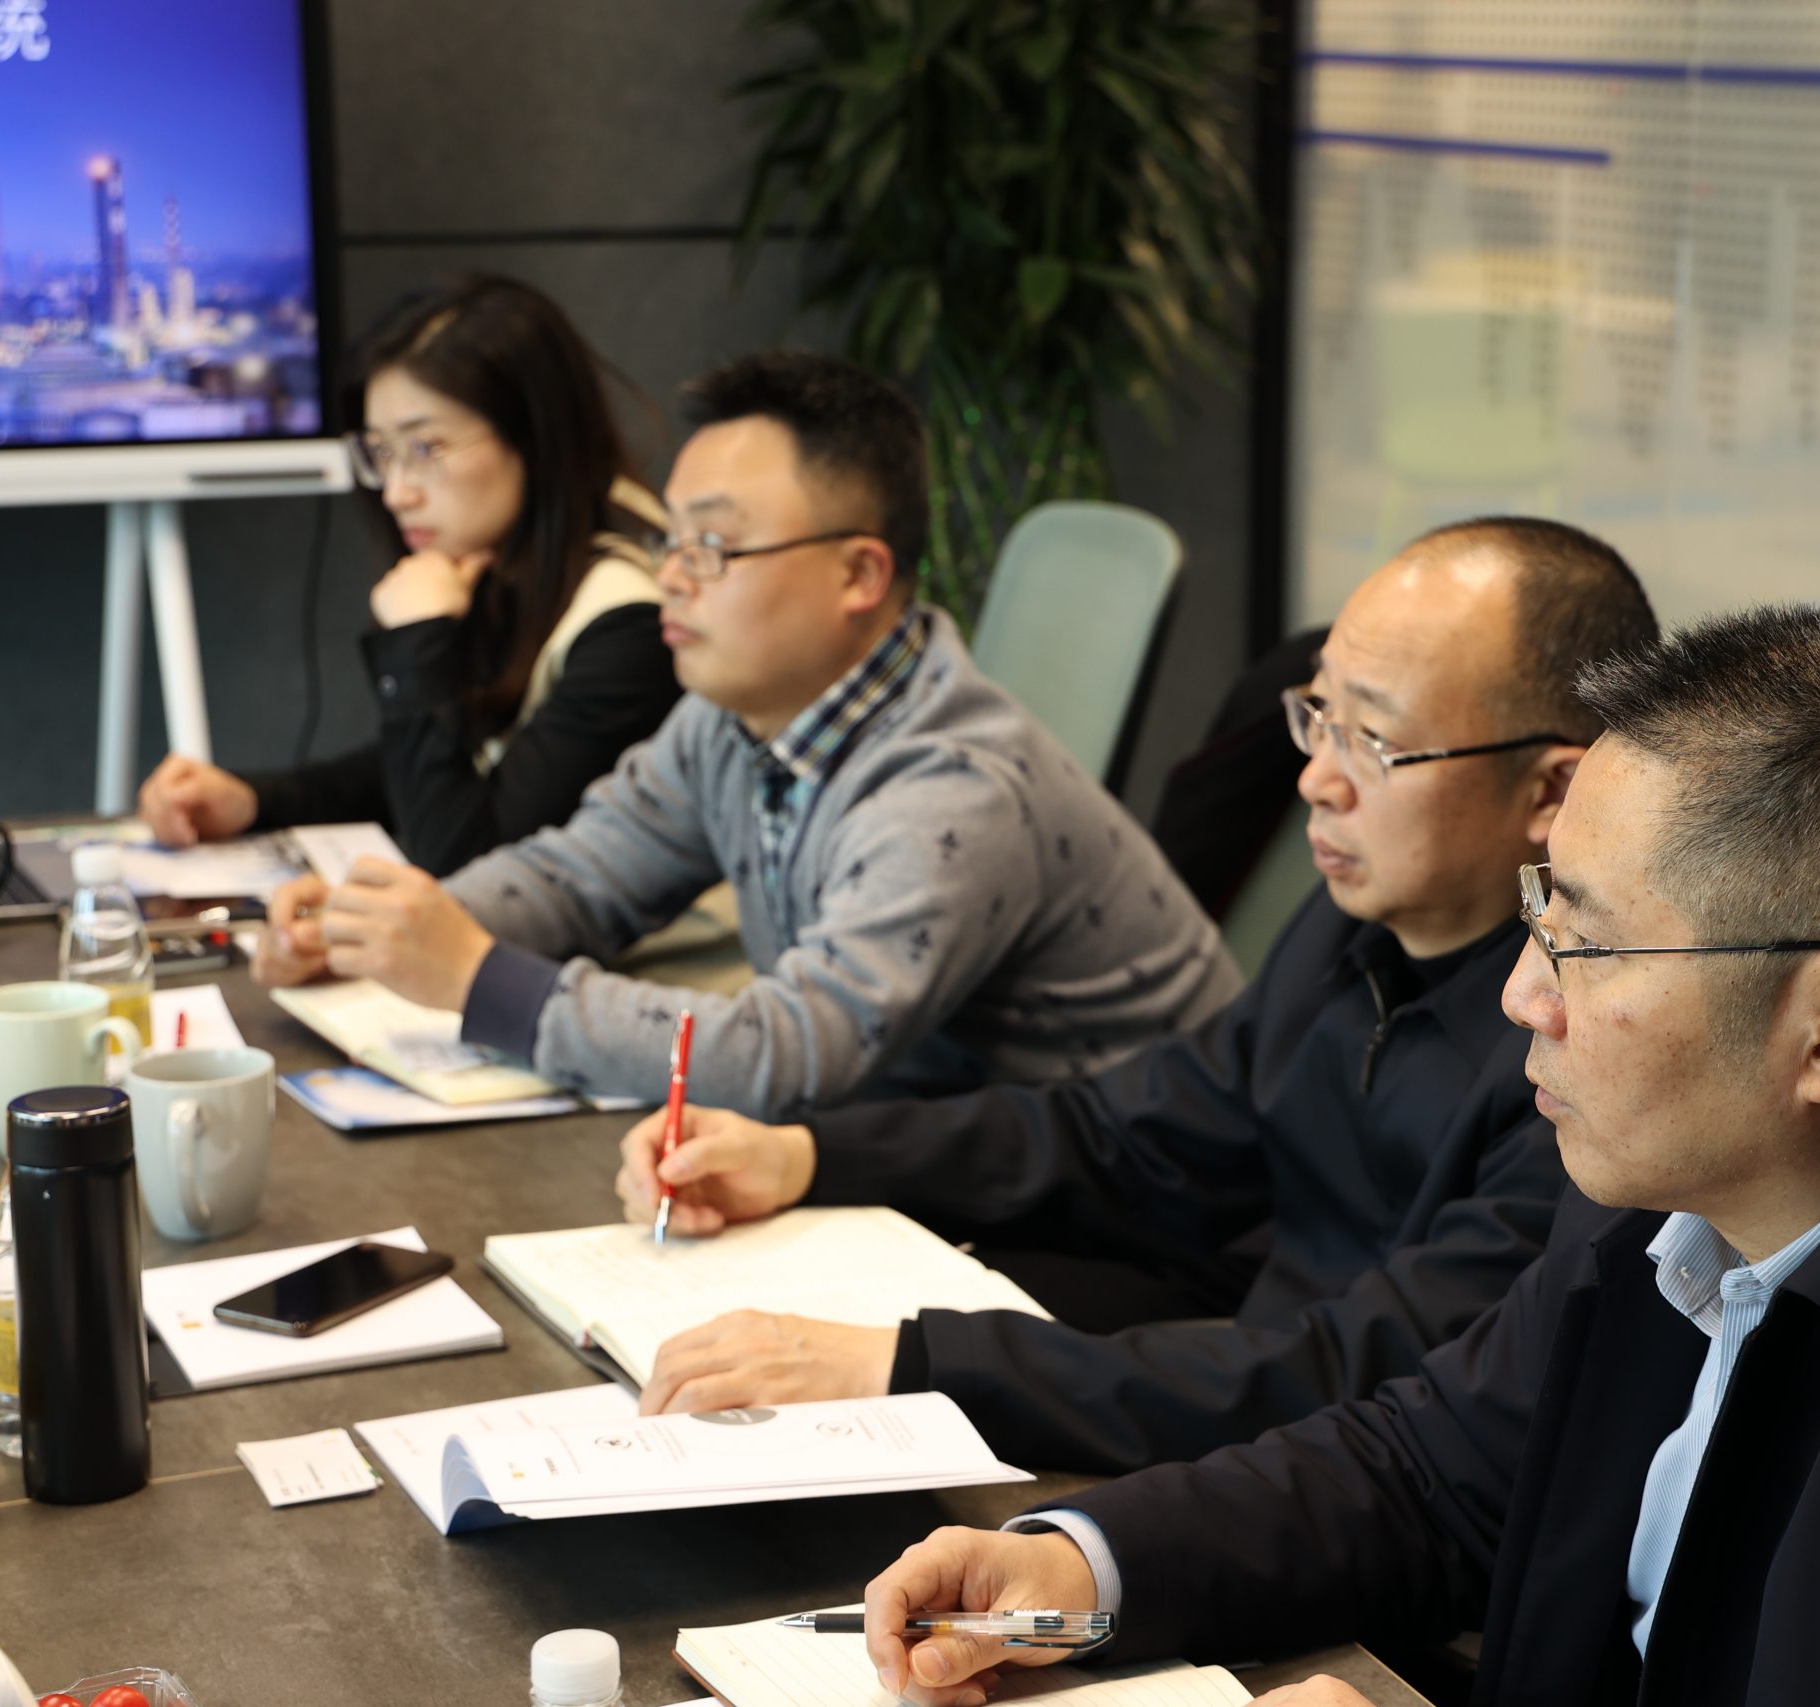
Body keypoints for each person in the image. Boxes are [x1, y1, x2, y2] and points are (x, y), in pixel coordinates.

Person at [854, 606, 1820, 1706]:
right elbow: (1422, 1470)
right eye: (1539, 918)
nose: (1520, 996)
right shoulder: (1690, 1178)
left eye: (1585, 943)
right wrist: (1076, 1568)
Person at [613, 521, 1662, 1478]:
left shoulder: (1578, 1052)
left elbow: (1366, 1372)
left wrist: (914, 1367)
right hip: (1256, 1423)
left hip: (1363, 1487)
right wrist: (805, 1155)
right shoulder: (1360, 921)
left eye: (1374, 743)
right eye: (1319, 716)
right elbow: (1126, 1134)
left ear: (1551, 791)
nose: (1316, 779)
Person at [252, 351, 1243, 1118]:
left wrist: (475, 975)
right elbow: (580, 875)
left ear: (859, 574)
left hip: (1127, 1203)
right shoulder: (729, 717)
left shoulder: (951, 786)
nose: (672, 577)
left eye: (716, 545)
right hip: (938, 1148)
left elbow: (787, 1055)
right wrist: (389, 927)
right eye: (672, 539)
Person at [137, 275, 680, 876]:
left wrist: (420, 642)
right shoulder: (507, 567)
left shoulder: (633, 624)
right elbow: (456, 766)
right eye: (381, 452)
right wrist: (257, 800)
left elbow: (465, 861)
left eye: (425, 448)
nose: (396, 493)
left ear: (533, 436)